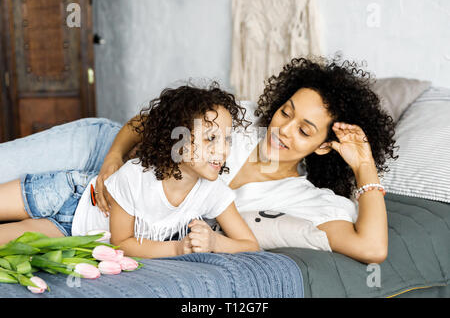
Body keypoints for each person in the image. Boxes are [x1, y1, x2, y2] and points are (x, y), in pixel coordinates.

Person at [0, 56, 398, 264]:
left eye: (305, 131)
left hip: (100, 220)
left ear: (325, 146)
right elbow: (147, 121)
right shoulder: (236, 121)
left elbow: (373, 249)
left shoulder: (306, 199)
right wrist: (112, 159)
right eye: (286, 112)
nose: (283, 129)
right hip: (98, 151)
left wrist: (364, 165)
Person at [0, 83, 260, 258]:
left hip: (72, 231)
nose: (223, 150)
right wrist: (178, 248)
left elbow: (251, 245)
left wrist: (215, 243)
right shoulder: (137, 176)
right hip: (68, 191)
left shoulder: (212, 192)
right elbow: (122, 242)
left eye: (227, 139)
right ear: (177, 140)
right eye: (211, 138)